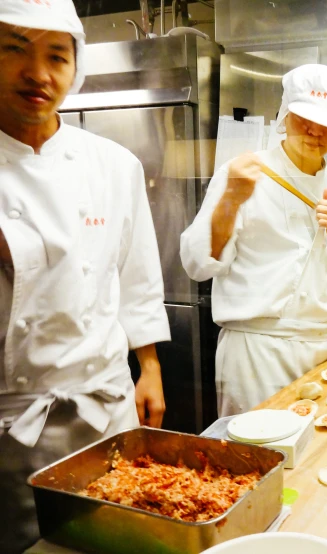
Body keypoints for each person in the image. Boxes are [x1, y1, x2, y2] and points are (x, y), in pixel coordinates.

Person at [0, 1, 170, 551]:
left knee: (121, 536)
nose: (39, 74)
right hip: (10, 428)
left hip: (106, 404)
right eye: (13, 49)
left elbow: (136, 273)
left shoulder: (114, 163)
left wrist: (149, 367)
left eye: (58, 56)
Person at [181, 64, 327, 416]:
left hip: (320, 346)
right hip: (254, 352)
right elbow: (197, 264)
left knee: (315, 457)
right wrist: (230, 200)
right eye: (304, 118)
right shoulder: (242, 172)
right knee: (252, 458)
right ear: (285, 114)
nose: (314, 131)